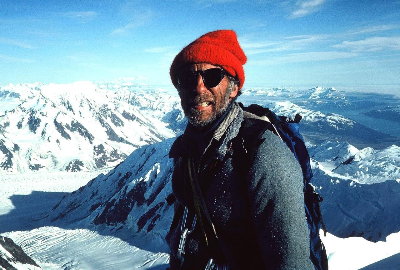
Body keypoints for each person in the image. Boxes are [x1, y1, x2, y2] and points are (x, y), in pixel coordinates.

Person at [166, 30, 314, 270]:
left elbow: (291, 263)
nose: (198, 87)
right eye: (186, 77)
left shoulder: (264, 155)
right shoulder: (188, 149)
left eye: (212, 76)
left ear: (233, 88)